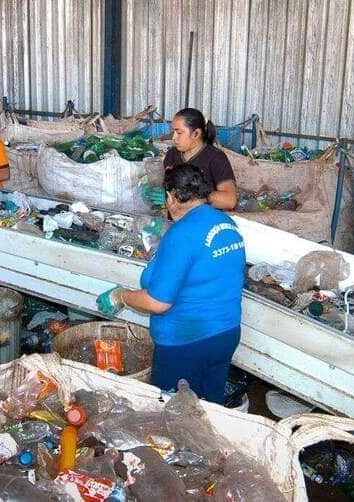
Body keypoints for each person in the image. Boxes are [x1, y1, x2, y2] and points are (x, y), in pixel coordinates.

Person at [97, 164, 246, 402]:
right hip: (225, 334)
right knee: (210, 412)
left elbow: (158, 302)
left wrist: (120, 296)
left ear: (170, 197)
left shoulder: (181, 235)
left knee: (172, 416)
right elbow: (206, 261)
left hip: (185, 342)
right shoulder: (227, 224)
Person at [140, 108, 237, 210]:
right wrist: (157, 191)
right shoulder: (172, 154)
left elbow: (229, 201)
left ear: (196, 133)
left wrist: (187, 197)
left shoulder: (216, 158)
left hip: (203, 219)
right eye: (173, 132)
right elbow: (166, 186)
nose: (173, 137)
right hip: (176, 217)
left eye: (179, 133)